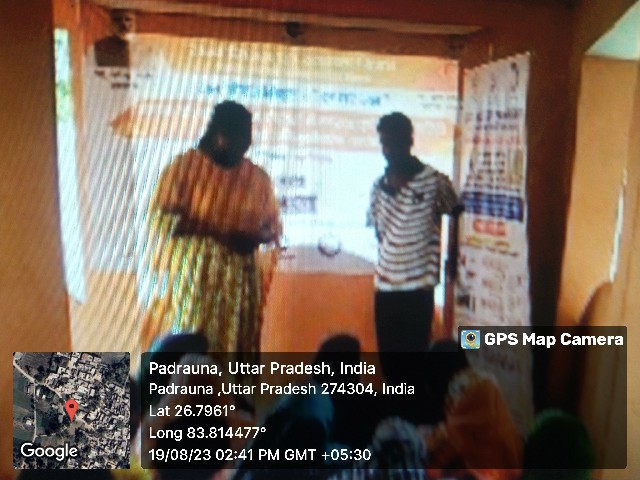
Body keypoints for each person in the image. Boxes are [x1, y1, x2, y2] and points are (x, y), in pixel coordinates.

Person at [140, 101, 281, 379]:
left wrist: (256, 236)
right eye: (240, 140)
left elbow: (272, 227)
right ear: (219, 136)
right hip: (198, 287)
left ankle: (233, 405)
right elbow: (160, 219)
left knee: (237, 365)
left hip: (242, 288)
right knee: (195, 360)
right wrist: (217, 232)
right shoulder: (184, 168)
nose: (246, 147)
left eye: (248, 140)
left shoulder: (258, 177)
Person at [367, 112, 461, 380]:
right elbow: (381, 235)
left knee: (415, 366)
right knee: (390, 367)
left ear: (409, 141)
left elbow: (457, 215)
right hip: (385, 289)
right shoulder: (377, 188)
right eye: (384, 143)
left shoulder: (436, 182)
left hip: (418, 290)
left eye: (393, 143)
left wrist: (453, 258)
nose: (388, 150)